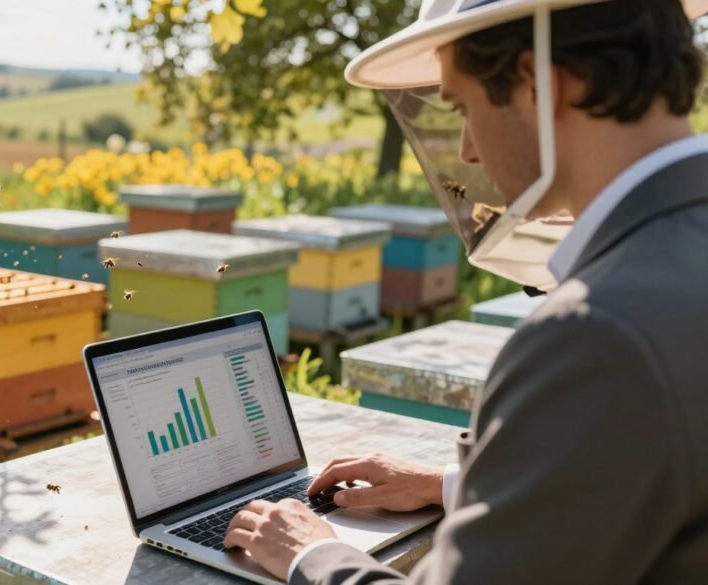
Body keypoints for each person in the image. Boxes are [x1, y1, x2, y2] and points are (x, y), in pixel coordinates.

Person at [222, 1, 708, 583]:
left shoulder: (596, 332)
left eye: (464, 108)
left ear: (536, 85)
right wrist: (453, 484)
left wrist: (311, 554)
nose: (467, 151)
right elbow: (641, 470)